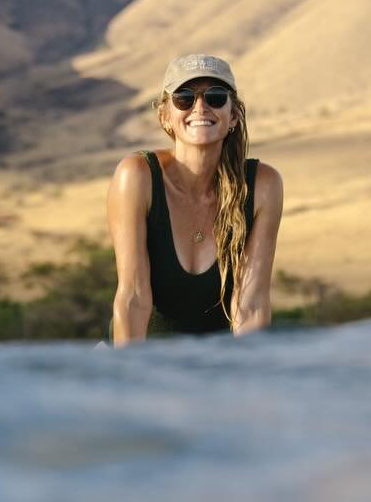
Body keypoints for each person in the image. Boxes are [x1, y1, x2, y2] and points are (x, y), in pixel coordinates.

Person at [107, 54, 283, 344]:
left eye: (215, 97)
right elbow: (133, 299)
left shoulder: (263, 185)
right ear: (165, 116)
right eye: (184, 98)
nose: (200, 107)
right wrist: (130, 378)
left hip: (216, 370)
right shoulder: (137, 176)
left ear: (234, 116)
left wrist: (251, 381)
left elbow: (250, 306)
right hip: (138, 360)